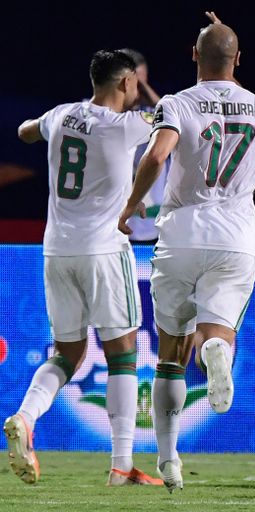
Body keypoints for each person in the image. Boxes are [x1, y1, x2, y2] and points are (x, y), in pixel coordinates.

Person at [118, 12, 255, 493]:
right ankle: (216, 347)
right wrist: (249, 186)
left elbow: (157, 156)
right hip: (234, 237)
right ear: (239, 59)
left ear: (194, 55)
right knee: (216, 334)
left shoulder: (178, 103)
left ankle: (169, 460)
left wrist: (133, 205)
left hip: (179, 234)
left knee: (169, 356)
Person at [6, 50, 161, 487]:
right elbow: (171, 123)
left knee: (67, 353)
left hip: (56, 251)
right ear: (126, 83)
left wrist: (44, 129)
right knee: (123, 355)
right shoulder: (130, 125)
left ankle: (25, 416)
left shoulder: (61, 115)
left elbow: (24, 131)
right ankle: (121, 465)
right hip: (104, 251)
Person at [118, 48, 169, 244]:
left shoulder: (152, 114)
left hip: (152, 222)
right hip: (116, 218)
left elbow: (166, 114)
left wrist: (143, 86)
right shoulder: (111, 114)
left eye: (143, 79)